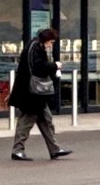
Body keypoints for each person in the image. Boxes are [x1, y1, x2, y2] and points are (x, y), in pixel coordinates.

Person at [11, 26, 72, 162]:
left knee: (46, 120)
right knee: (27, 121)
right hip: (32, 93)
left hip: (33, 93)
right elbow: (39, 67)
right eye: (51, 42)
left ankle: (54, 149)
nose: (51, 45)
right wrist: (55, 65)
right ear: (46, 40)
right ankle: (18, 150)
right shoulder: (36, 48)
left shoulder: (33, 46)